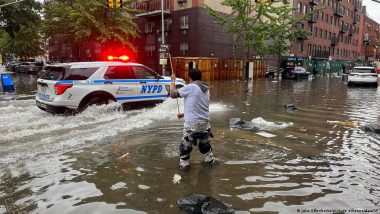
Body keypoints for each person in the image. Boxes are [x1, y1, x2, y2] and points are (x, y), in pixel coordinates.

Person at [169, 68, 215, 168]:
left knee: (185, 148)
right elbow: (201, 106)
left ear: (189, 78)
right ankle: (210, 163)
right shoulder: (206, 89)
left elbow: (172, 94)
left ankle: (184, 169)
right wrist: (185, 114)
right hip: (205, 124)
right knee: (205, 147)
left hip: (191, 125)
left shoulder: (190, 87)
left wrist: (172, 80)